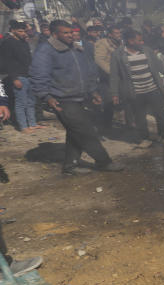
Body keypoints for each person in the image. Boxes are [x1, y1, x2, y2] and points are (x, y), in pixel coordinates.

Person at [29, 19, 122, 175]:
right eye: (65, 33)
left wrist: (93, 91)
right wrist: (47, 96)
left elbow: (88, 70)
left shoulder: (76, 48)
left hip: (79, 97)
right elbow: (38, 75)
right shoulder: (45, 51)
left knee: (76, 131)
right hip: (61, 99)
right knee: (86, 131)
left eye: (71, 32)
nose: (70, 35)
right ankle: (103, 162)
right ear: (54, 34)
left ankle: (70, 166)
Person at [110, 29, 164, 147]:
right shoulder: (117, 54)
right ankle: (145, 138)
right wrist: (114, 93)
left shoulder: (147, 51)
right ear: (131, 41)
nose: (142, 42)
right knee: (140, 117)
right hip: (135, 92)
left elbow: (159, 66)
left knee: (160, 115)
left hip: (153, 89)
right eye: (140, 40)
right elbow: (114, 75)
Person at [0, 20, 42, 131]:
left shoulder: (23, 42)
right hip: (19, 76)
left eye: (24, 31)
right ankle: (23, 126)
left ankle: (32, 123)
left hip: (28, 75)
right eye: (20, 31)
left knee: (30, 101)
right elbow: (8, 62)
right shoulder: (8, 43)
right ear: (13, 31)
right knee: (21, 102)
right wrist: (14, 78)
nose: (23, 33)